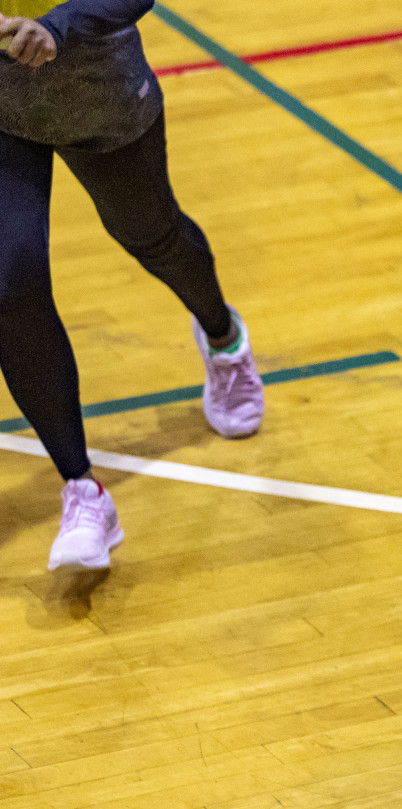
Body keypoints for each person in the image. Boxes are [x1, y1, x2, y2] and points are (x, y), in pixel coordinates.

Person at [1, 0, 263, 571]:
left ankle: (223, 335)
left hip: (93, 87)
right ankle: (83, 492)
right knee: (9, 286)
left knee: (153, 235)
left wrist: (56, 27)